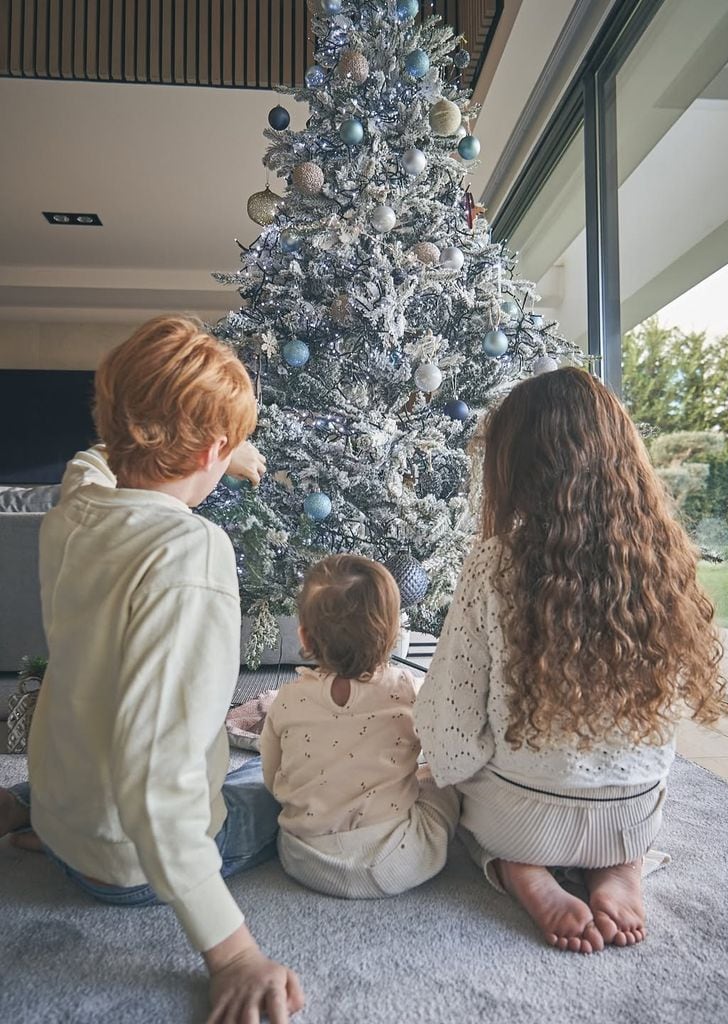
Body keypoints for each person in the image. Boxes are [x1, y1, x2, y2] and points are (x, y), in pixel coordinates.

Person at [0, 315, 304, 1023]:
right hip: (124, 864)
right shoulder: (190, 556)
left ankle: (27, 807)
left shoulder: (76, 510)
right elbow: (158, 781)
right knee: (276, 777)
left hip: (66, 815)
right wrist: (233, 956)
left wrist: (213, 452)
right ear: (213, 448)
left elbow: (89, 461)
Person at [414, 367, 726, 955]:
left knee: (445, 790)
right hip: (630, 814)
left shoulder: (495, 563)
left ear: (514, 468)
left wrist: (451, 771)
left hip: (521, 818)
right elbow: (670, 710)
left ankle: (517, 866)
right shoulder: (663, 562)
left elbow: (447, 728)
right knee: (630, 797)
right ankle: (621, 866)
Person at [260, 555, 459, 899]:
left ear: (304, 637)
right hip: (395, 861)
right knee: (444, 787)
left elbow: (271, 776)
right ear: (394, 633)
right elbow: (446, 752)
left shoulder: (287, 701)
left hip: (304, 857)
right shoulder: (408, 690)